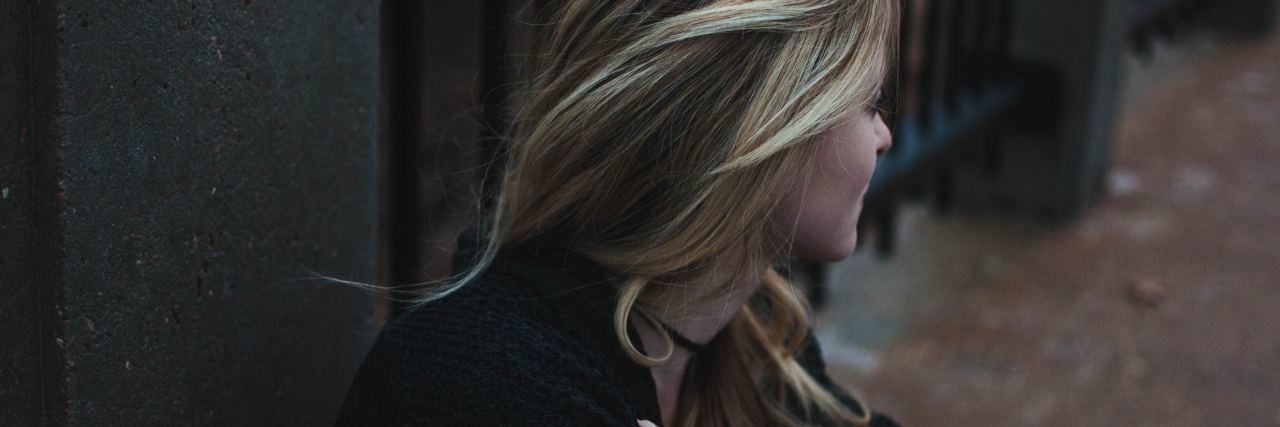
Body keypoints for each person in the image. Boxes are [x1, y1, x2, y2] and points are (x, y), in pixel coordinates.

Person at [337, 0, 899, 425]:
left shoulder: (757, 347)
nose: (885, 136)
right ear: (757, 129)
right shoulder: (475, 386)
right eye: (870, 103)